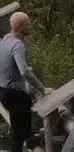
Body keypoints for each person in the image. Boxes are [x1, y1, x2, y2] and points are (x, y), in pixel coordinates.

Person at [1, 11, 49, 152]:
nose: (30, 26)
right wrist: (43, 89)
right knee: (20, 135)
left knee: (22, 131)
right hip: (15, 94)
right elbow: (24, 72)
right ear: (20, 26)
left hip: (4, 91)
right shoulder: (17, 45)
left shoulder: (5, 40)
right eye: (28, 24)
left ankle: (32, 143)